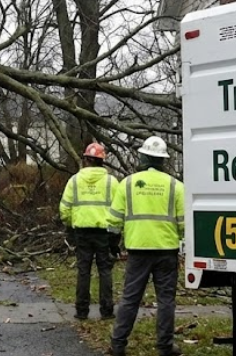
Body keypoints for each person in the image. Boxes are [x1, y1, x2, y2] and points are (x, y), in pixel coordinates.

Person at [108, 136, 185, 356]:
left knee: (130, 298)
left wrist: (114, 243)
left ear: (143, 157)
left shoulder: (128, 183)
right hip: (166, 251)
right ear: (163, 160)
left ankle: (118, 344)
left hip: (138, 250)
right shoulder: (176, 187)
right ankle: (165, 346)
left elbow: (114, 219)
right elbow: (183, 224)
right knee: (166, 300)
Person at [59, 142, 120, 320]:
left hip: (82, 232)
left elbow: (64, 209)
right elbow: (119, 211)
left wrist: (70, 226)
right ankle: (107, 310)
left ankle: (81, 311)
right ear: (102, 161)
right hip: (105, 233)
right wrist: (116, 235)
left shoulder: (75, 181)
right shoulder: (111, 182)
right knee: (105, 270)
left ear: (86, 159)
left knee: (83, 270)